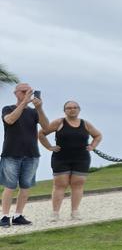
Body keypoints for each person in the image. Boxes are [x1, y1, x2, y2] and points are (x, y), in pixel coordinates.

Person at [39, 100, 102, 220]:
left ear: (79, 109)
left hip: (81, 159)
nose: (72, 109)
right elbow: (41, 133)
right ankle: (55, 213)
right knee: (60, 184)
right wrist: (49, 147)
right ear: (64, 110)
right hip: (61, 158)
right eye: (69, 108)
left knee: (78, 184)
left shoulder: (85, 124)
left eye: (75, 107)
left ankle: (75, 212)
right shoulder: (59, 122)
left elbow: (98, 135)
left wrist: (92, 146)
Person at [1, 82, 50, 227]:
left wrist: (39, 108)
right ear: (15, 93)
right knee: (9, 186)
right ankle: (4, 216)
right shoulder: (8, 109)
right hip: (11, 153)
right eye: (23, 91)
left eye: (29, 91)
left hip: (31, 154)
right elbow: (10, 120)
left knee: (25, 186)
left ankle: (18, 215)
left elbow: (46, 127)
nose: (26, 94)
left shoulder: (33, 112)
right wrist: (23, 103)